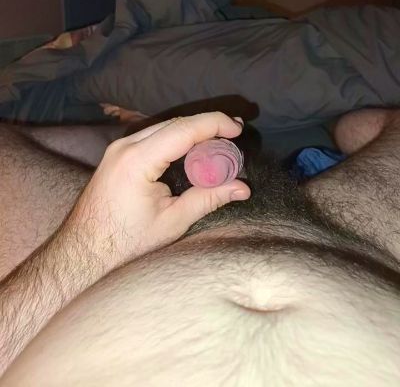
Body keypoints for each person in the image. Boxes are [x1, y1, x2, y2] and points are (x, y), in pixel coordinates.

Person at [0, 109, 400, 385]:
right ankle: (130, 135)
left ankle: (128, 135)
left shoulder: (89, 253)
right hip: (369, 244)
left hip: (89, 277)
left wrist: (86, 250)